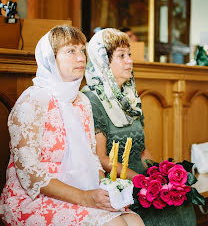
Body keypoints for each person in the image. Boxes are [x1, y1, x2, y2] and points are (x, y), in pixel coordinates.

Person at [0, 25, 144, 226]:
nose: (80, 58)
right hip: (33, 198)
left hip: (81, 188)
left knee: (133, 220)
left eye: (82, 50)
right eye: (70, 51)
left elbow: (93, 158)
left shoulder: (81, 101)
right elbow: (30, 174)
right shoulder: (33, 100)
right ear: (51, 58)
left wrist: (105, 190)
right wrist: (86, 197)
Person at [82, 28, 197, 226]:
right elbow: (101, 159)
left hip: (141, 180)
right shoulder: (92, 100)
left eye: (129, 55)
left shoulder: (131, 100)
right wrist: (140, 181)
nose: (130, 61)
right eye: (121, 56)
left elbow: (143, 152)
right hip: (117, 187)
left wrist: (159, 176)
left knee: (181, 202)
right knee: (160, 214)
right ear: (103, 62)